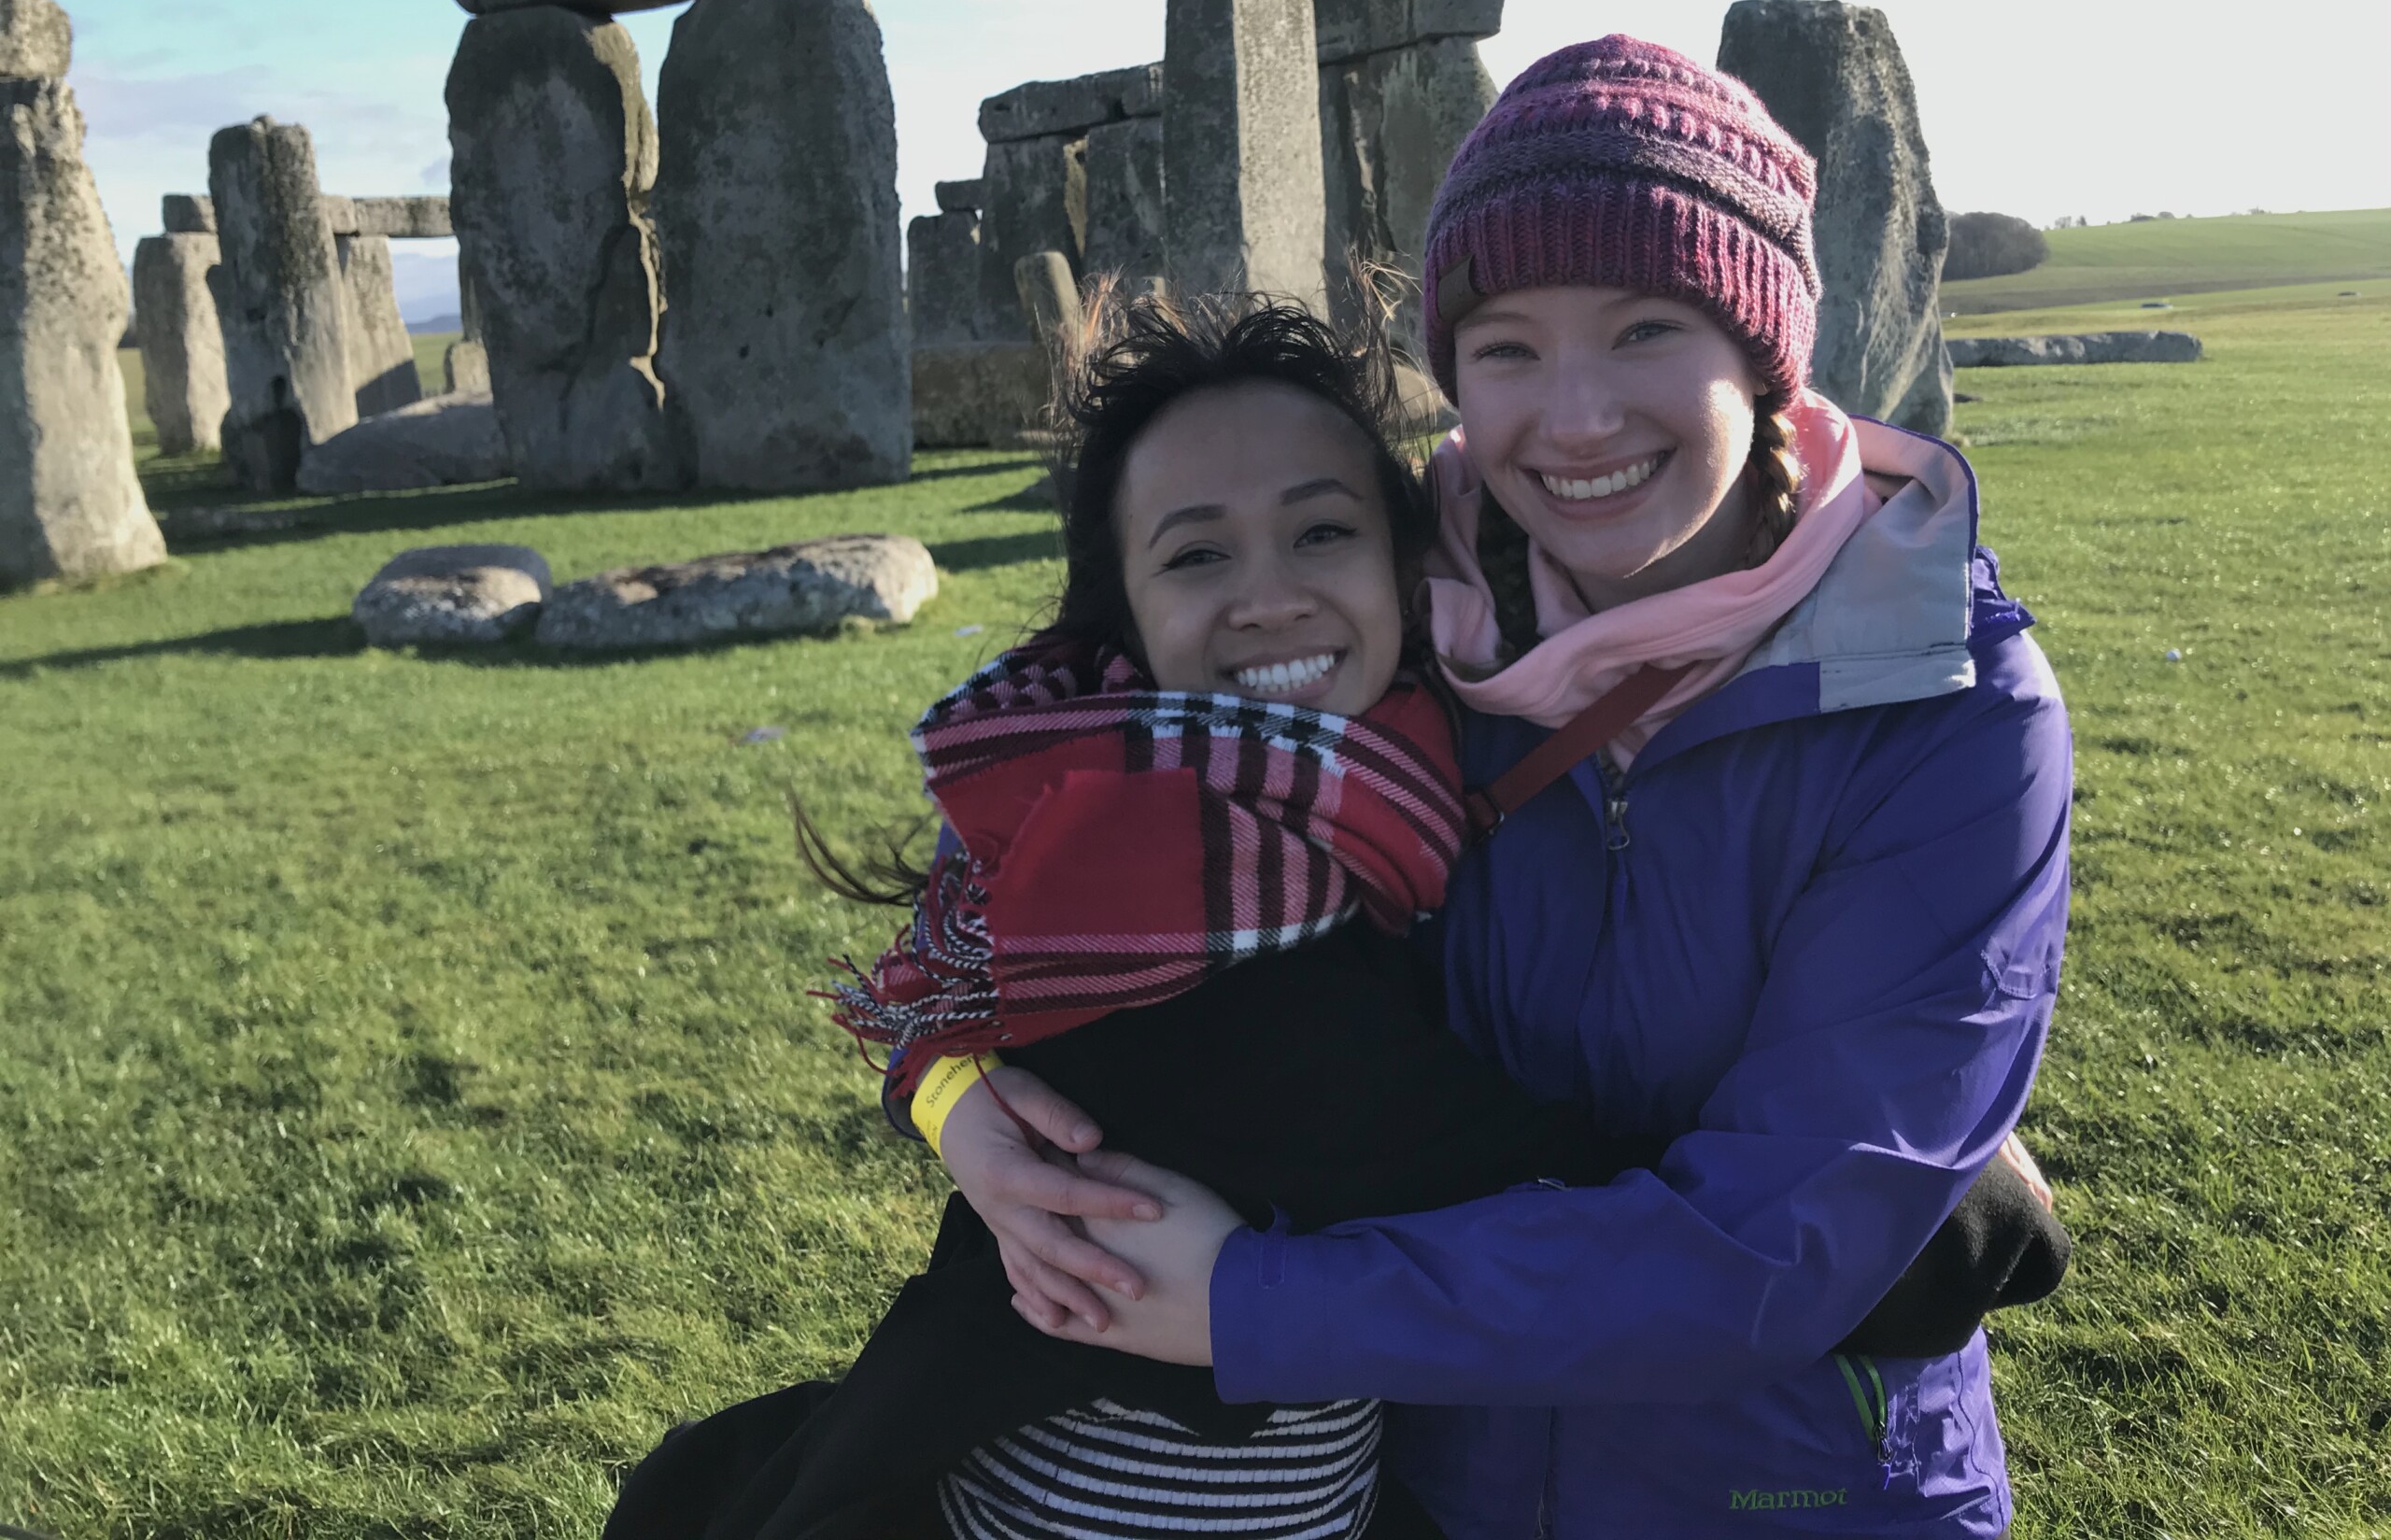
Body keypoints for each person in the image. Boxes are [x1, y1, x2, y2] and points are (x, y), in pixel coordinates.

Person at [602, 287, 2061, 1540]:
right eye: (1194, 556)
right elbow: (1464, 1154)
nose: (1270, 599)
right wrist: (1937, 1226)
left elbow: (946, 985)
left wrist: (943, 1084)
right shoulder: (1160, 886)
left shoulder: (1402, 772)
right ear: (1120, 619)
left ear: (1410, 568)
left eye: (1321, 533)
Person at [927, 37, 2074, 1537]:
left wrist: (1254, 1303)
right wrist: (951, 1094)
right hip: (1440, 1490)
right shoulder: (1397, 638)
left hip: (1791, 1487)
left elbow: (1777, 1247)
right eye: (1510, 348)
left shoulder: (1948, 709)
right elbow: (1040, 867)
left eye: (1649, 326)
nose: (1576, 416)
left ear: (1763, 345)